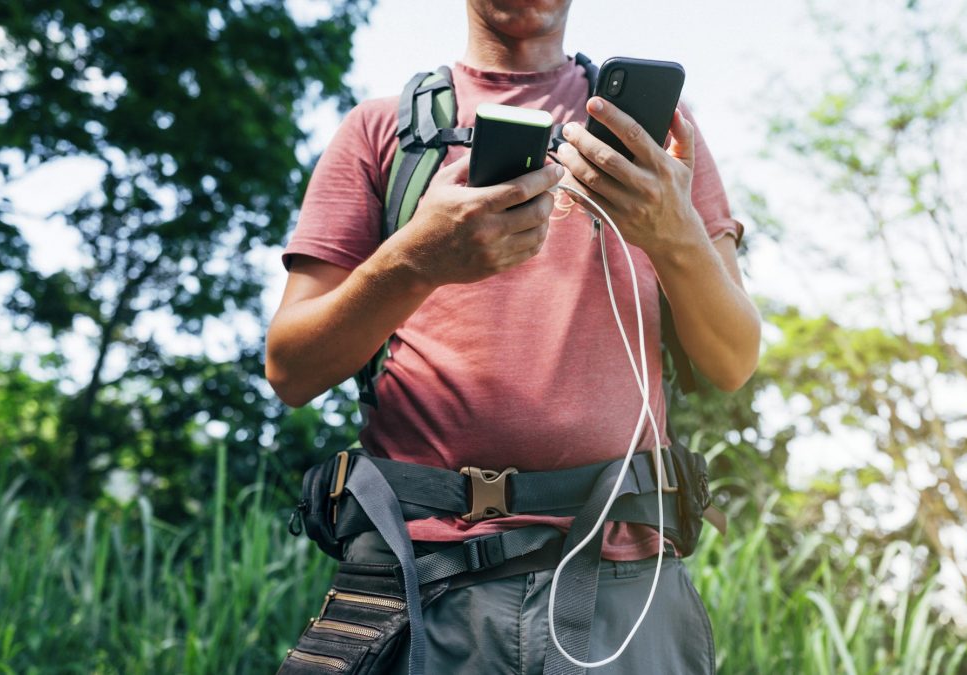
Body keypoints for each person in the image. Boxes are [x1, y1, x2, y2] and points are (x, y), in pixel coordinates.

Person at [266, 0, 760, 672]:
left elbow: (732, 359)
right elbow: (290, 367)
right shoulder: (380, 132)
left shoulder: (663, 145)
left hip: (626, 586)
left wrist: (673, 236)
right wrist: (414, 261)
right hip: (418, 582)